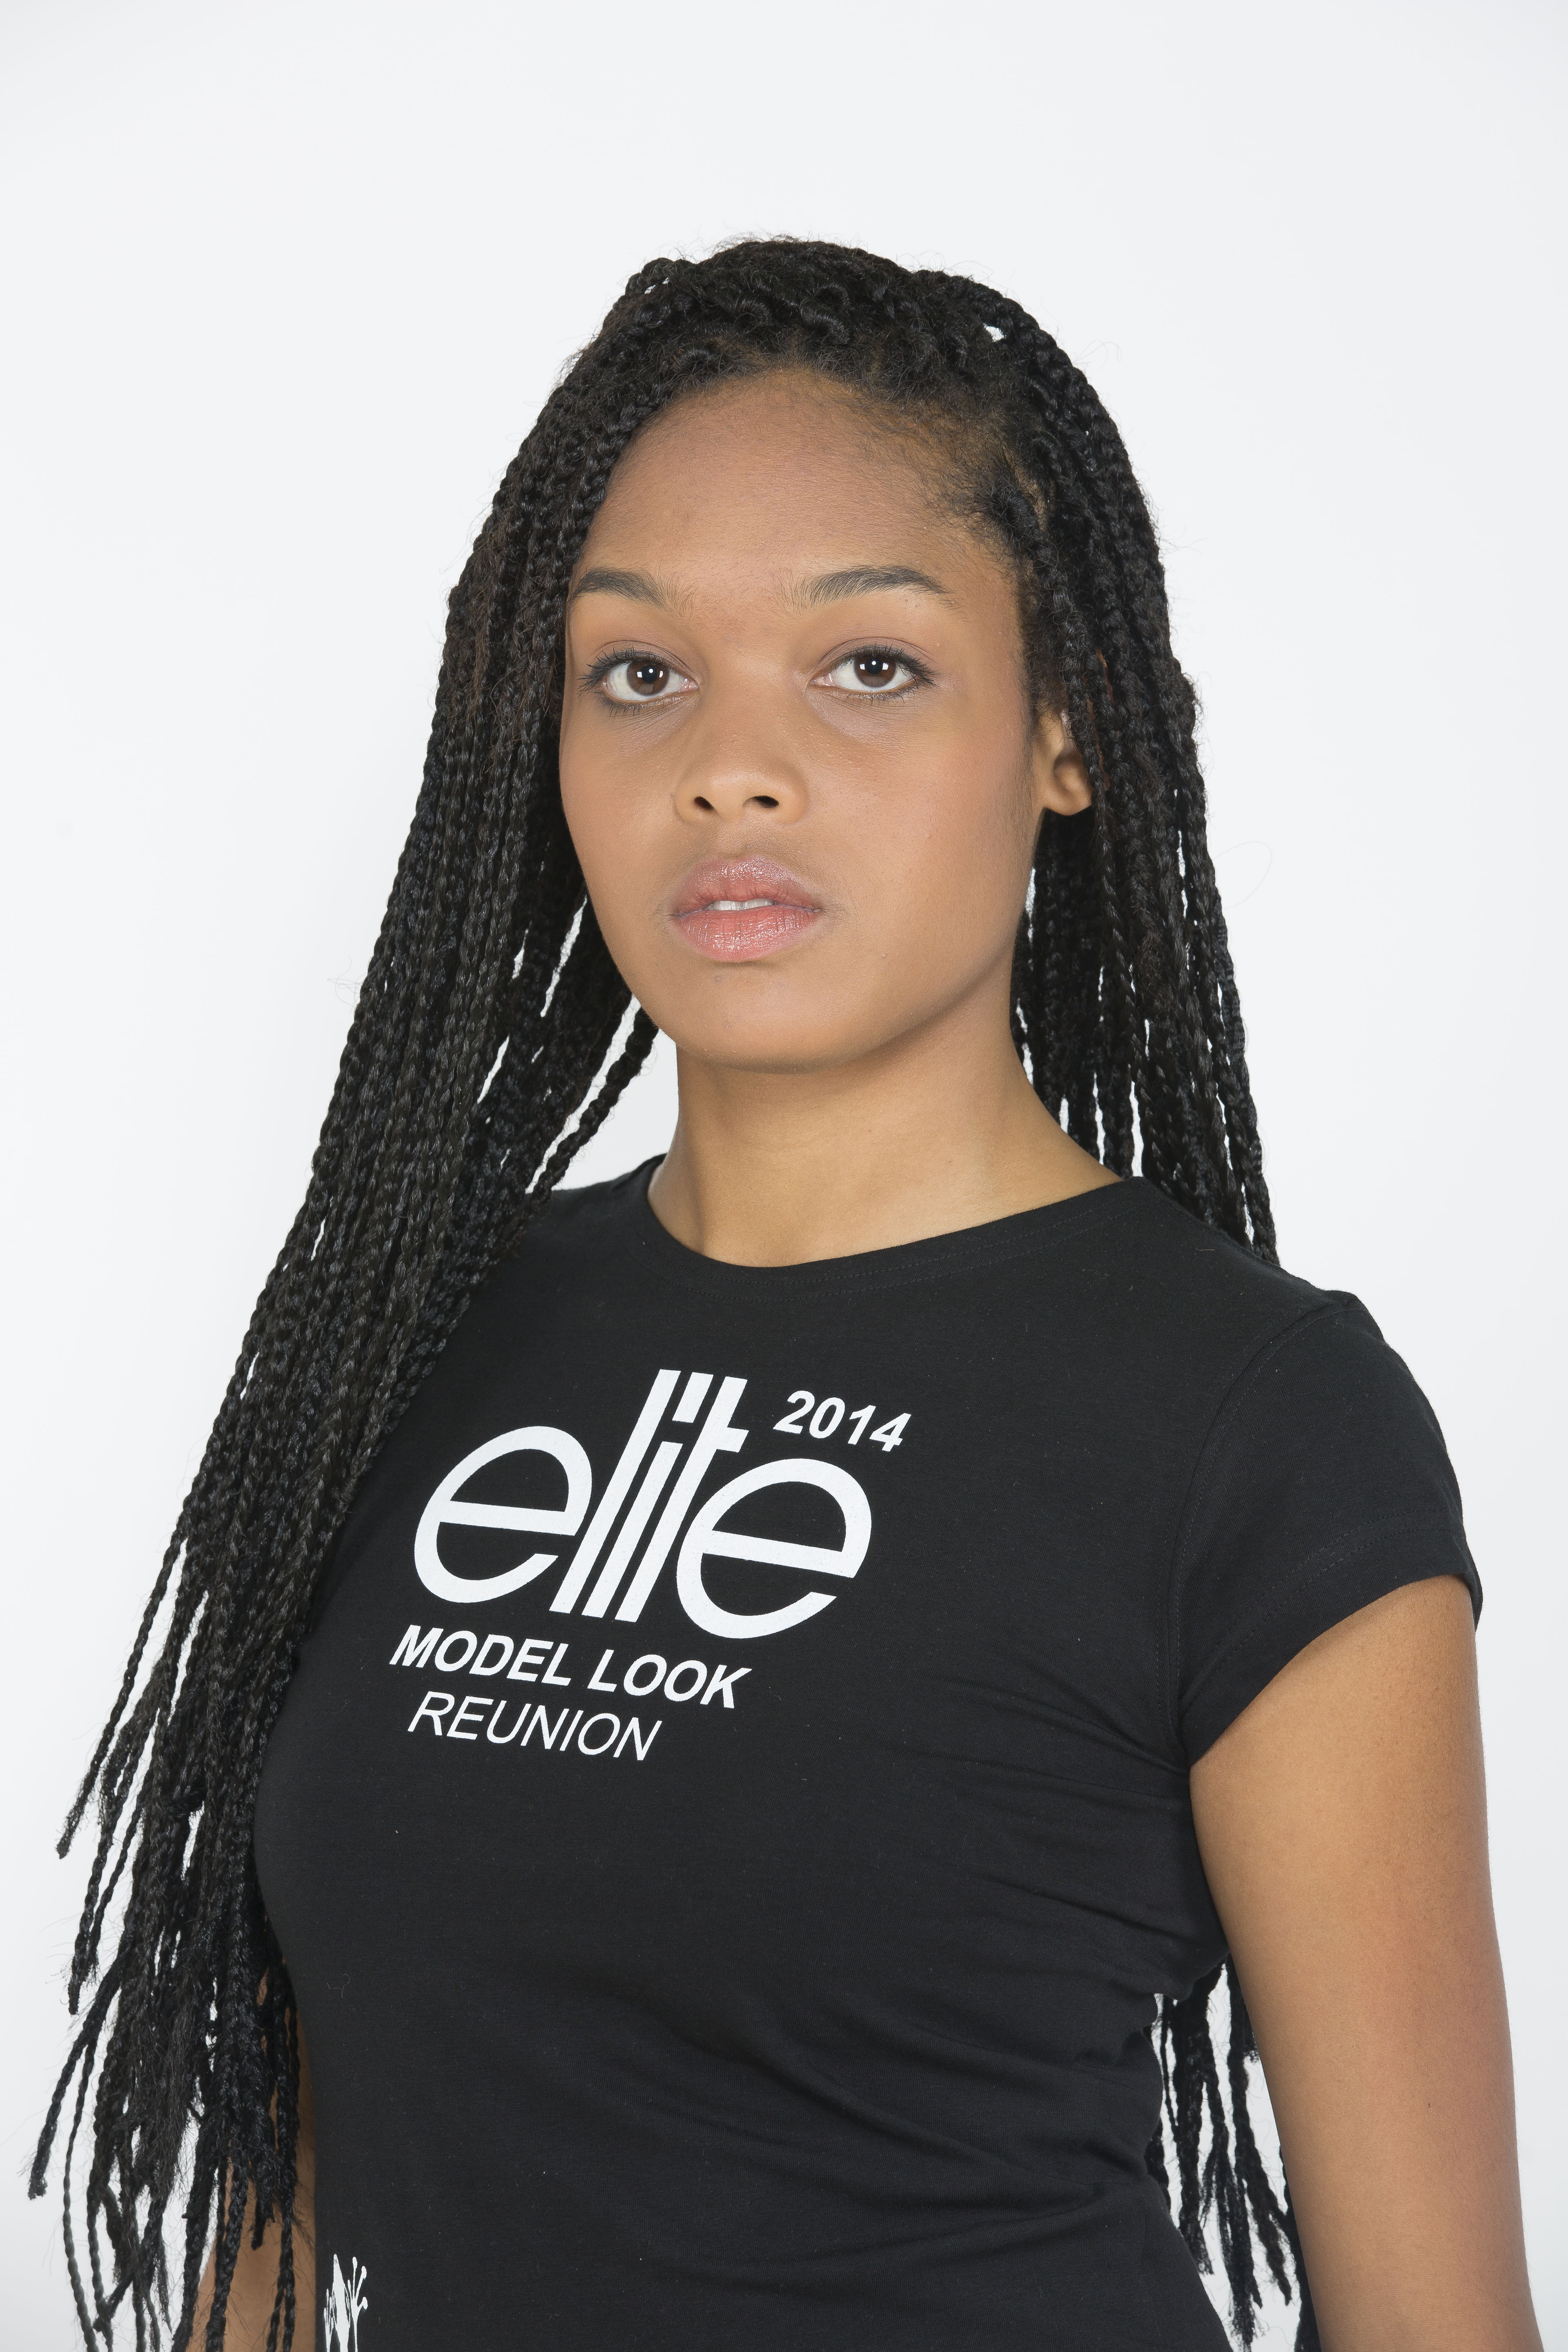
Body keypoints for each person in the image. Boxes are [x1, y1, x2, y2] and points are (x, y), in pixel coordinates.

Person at [34, 241, 1541, 2352]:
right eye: (640, 672)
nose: (730, 768)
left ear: (1068, 732)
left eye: (871, 665)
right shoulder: (418, 1334)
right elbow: (275, 2228)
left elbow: (1433, 2318)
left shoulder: (1252, 1419)